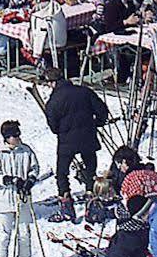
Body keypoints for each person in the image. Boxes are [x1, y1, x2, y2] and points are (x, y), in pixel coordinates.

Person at [43, 70, 109, 220]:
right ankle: (91, 197)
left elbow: (53, 126)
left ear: (52, 83)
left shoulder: (54, 101)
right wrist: (96, 123)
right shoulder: (84, 92)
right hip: (88, 137)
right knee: (90, 168)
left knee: (62, 172)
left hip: (67, 141)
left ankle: (66, 201)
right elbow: (102, 111)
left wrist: (62, 130)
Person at [0, 120, 41, 257]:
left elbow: (35, 167)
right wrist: (9, 180)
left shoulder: (25, 151)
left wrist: (30, 180)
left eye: (19, 134)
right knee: (4, 234)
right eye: (15, 135)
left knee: (24, 232)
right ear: (7, 137)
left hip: (22, 199)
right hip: (3, 200)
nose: (18, 138)